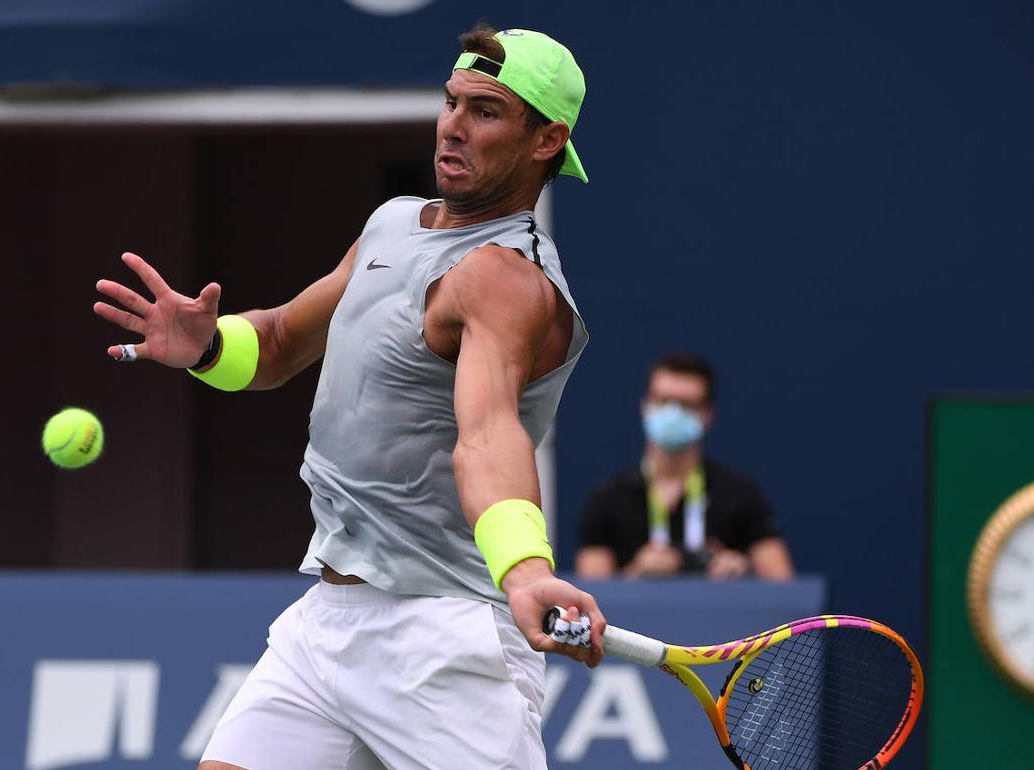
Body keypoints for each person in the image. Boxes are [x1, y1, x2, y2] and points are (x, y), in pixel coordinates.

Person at [94, 25, 602, 770]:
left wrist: (525, 569)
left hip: (444, 638)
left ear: (546, 140)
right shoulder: (393, 222)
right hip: (330, 618)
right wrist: (206, 345)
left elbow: (488, 435)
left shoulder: (505, 279)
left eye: (485, 112)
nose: (452, 126)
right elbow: (276, 346)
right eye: (450, 101)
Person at [575, 353, 795, 581]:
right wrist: (636, 573)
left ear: (708, 415)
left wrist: (742, 574)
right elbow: (593, 594)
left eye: (687, 405)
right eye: (663, 400)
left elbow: (784, 589)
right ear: (644, 405)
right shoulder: (607, 500)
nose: (674, 413)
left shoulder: (742, 495)